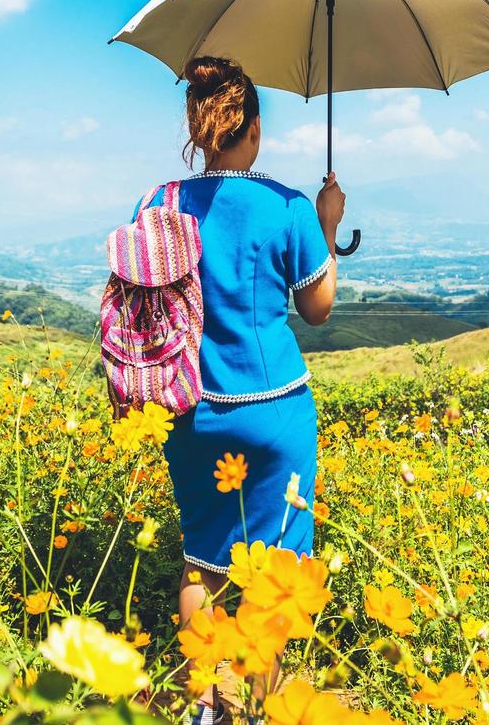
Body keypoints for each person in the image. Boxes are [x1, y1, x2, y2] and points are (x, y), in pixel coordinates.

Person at [139, 56, 343, 724]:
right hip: (274, 409)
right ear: (251, 129)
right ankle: (264, 709)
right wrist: (328, 228)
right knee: (275, 574)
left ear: (198, 129)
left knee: (202, 560)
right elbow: (317, 310)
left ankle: (203, 705)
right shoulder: (287, 206)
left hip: (190, 409)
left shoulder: (157, 203)